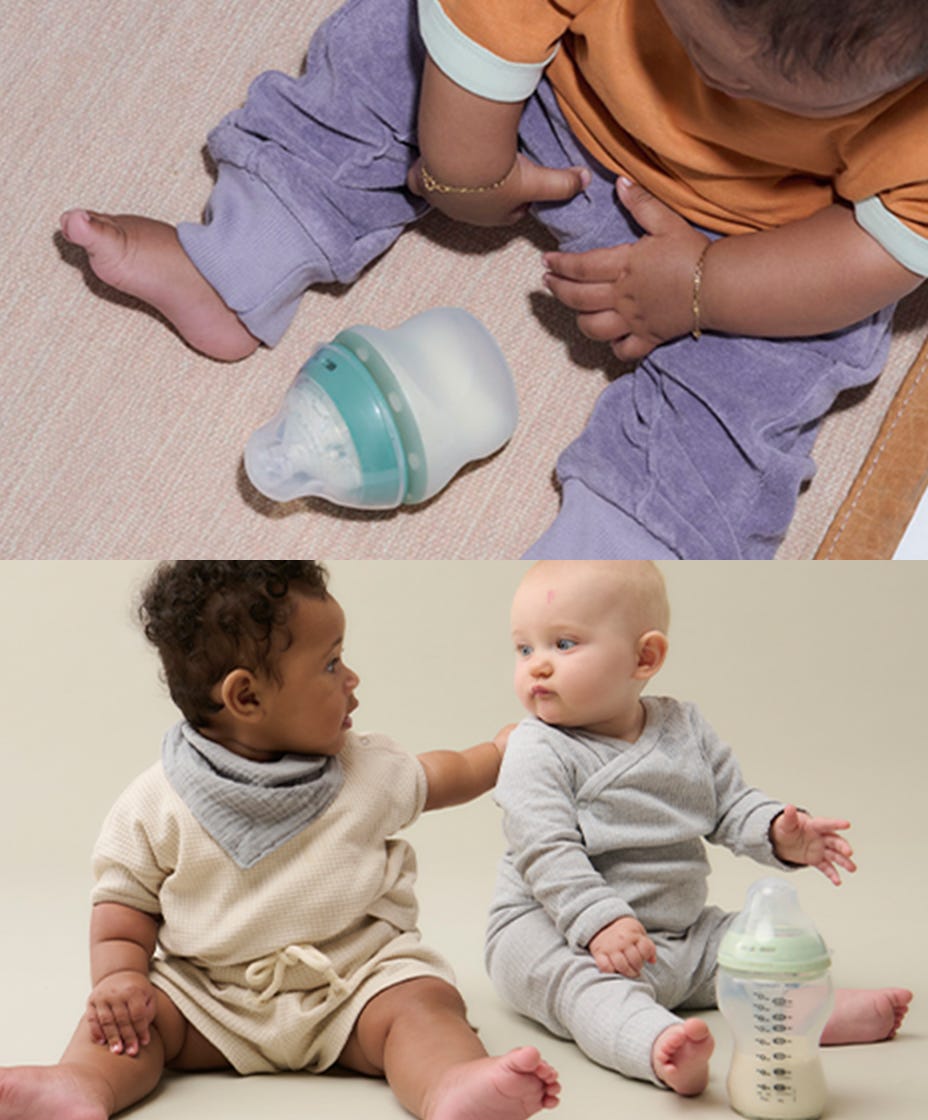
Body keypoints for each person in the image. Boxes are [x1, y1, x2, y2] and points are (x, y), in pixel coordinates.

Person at [58, 1, 928, 558]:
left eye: (761, 91)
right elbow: (479, 28)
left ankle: (626, 549)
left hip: (772, 236)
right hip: (550, 92)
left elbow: (877, 251)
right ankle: (245, 254)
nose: (710, 92)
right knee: (387, 56)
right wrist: (465, 173)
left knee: (782, 367)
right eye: (692, 46)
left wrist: (708, 286)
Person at [0, 561, 561, 1120]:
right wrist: (120, 979)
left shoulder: (362, 769)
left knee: (424, 1004)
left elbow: (442, 775)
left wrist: (498, 752)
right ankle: (81, 1084)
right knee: (129, 1024)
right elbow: (124, 909)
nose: (352, 679)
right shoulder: (156, 803)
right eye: (331, 663)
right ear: (246, 698)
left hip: (356, 989)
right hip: (209, 1001)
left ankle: (449, 1086)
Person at [484, 560, 913, 1094]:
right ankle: (656, 1045)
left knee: (750, 944)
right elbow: (543, 849)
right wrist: (598, 923)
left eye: (563, 644)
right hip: (558, 930)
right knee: (583, 991)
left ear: (645, 657)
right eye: (524, 649)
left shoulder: (683, 728)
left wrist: (776, 832)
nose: (536, 667)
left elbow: (730, 804)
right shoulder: (537, 747)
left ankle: (807, 1015)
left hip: (678, 934)